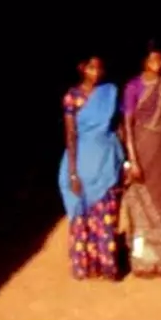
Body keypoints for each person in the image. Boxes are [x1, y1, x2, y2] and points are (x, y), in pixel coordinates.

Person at [121, 46, 161, 281]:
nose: (158, 63)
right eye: (153, 59)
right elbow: (127, 125)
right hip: (141, 148)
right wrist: (133, 160)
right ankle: (142, 263)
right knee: (140, 210)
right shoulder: (133, 87)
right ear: (144, 61)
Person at [59, 54, 126, 281]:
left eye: (99, 68)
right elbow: (70, 135)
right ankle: (85, 265)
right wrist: (73, 172)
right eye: (91, 68)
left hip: (107, 158)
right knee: (82, 214)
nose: (96, 72)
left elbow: (118, 126)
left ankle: (107, 265)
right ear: (81, 68)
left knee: (106, 212)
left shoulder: (110, 92)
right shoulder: (72, 97)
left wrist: (124, 159)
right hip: (83, 161)